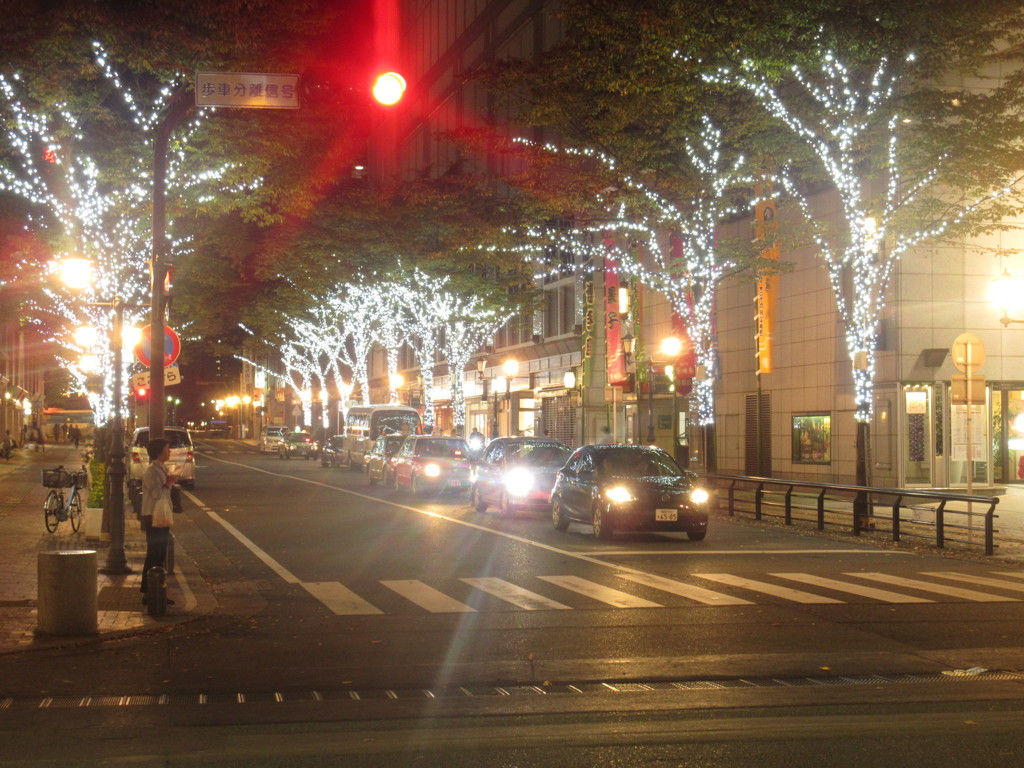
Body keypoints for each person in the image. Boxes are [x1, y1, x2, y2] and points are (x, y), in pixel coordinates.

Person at [140, 438, 176, 605]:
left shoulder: (161, 468)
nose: (169, 452)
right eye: (167, 449)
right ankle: (148, 591)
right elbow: (156, 494)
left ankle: (158, 590)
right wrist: (169, 483)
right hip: (152, 516)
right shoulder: (151, 471)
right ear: (158, 452)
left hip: (161, 515)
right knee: (154, 553)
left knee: (160, 553)